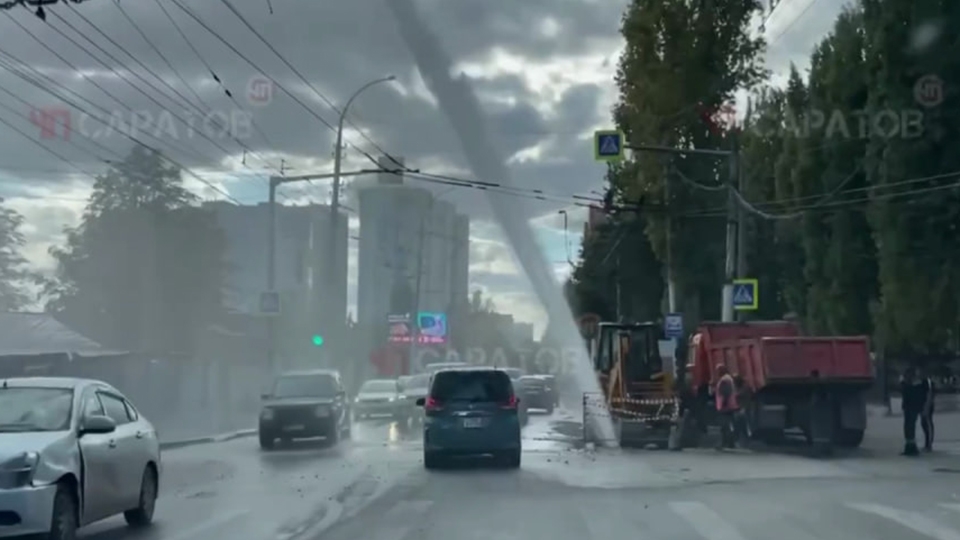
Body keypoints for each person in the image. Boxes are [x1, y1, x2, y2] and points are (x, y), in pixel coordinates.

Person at [899, 366, 928, 456]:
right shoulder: (911, 384)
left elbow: (919, 395)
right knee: (909, 426)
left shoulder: (915, 385)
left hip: (912, 407)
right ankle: (910, 446)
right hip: (910, 407)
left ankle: (911, 447)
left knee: (910, 426)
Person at [714, 364, 738, 449]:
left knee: (724, 426)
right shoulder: (728, 378)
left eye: (718, 371)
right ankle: (731, 443)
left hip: (725, 406)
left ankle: (725, 443)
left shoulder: (724, 380)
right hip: (730, 405)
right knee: (729, 425)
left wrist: (723, 404)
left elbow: (725, 393)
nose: (717, 373)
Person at [920, 367, 936, 452]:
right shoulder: (923, 382)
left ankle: (929, 444)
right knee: (924, 424)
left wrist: (927, 406)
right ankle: (927, 443)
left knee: (927, 423)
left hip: (927, 405)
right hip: (924, 405)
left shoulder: (928, 382)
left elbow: (929, 395)